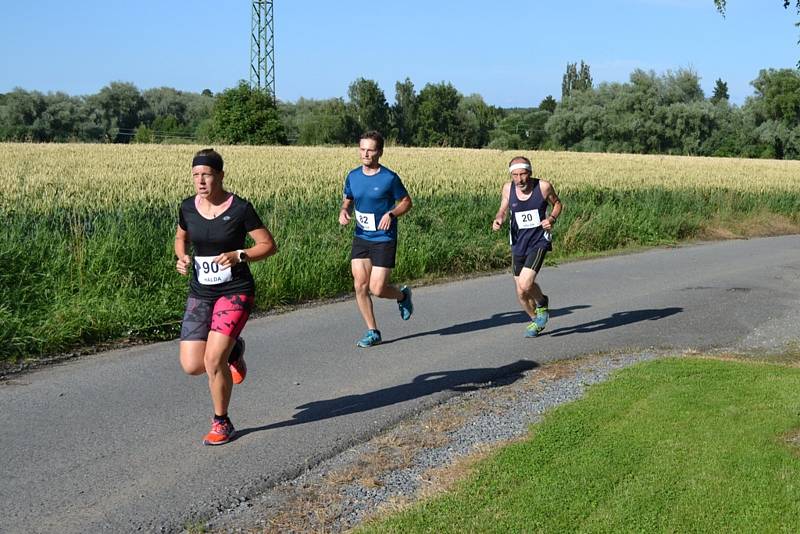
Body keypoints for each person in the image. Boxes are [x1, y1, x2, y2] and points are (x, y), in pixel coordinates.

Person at [175, 148, 277, 445]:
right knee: (192, 365)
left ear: (220, 175)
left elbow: (268, 245)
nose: (200, 181)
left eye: (206, 174)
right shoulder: (187, 207)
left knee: (212, 359)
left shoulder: (241, 208)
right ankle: (235, 351)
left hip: (235, 291)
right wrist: (182, 258)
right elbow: (181, 237)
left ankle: (222, 422)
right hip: (201, 291)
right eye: (195, 175)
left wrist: (240, 255)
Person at [339, 131, 414, 347]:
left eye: (370, 150)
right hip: (362, 236)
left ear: (379, 152)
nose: (365, 154)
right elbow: (348, 199)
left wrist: (391, 214)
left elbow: (406, 202)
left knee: (378, 289)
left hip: (384, 237)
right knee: (360, 285)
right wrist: (344, 210)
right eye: (362, 149)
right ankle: (373, 331)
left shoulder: (389, 178)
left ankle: (402, 297)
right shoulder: (353, 176)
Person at [492, 156, 563, 337]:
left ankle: (541, 303)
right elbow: (503, 208)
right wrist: (499, 217)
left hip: (539, 241)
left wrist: (551, 219)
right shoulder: (508, 188)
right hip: (518, 242)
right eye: (515, 175)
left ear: (530, 173)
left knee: (525, 283)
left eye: (523, 174)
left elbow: (557, 204)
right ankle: (536, 320)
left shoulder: (543, 187)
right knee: (521, 293)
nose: (519, 179)